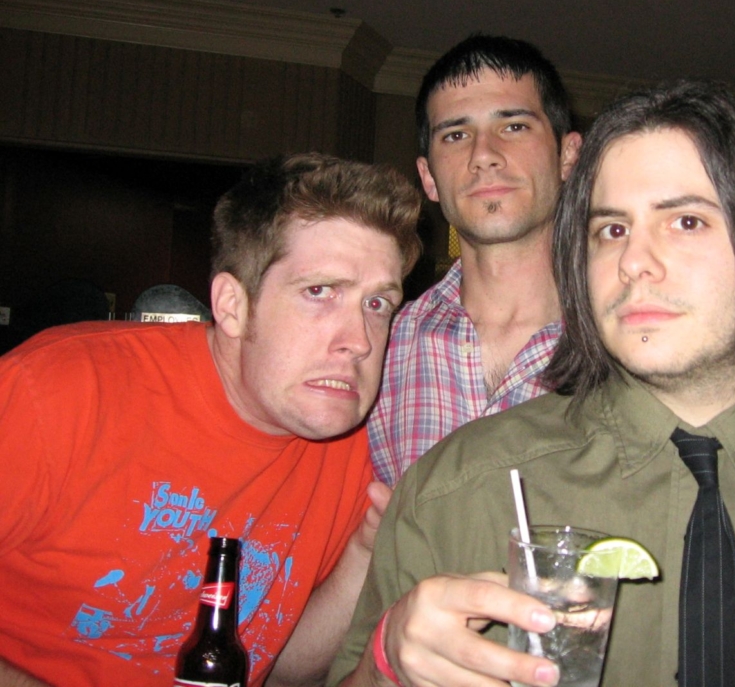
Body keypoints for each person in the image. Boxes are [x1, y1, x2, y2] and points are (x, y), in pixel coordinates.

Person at [328, 80, 735, 687]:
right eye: (612, 230)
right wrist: (386, 671)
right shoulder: (454, 491)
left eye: (686, 222)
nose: (632, 262)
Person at [0, 153, 421, 687]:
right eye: (319, 292)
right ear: (232, 305)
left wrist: (365, 551)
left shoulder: (363, 449)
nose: (359, 342)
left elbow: (281, 667)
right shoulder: (56, 390)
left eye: (378, 304)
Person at [367, 34, 582, 485]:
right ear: (428, 177)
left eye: (514, 126)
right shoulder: (375, 349)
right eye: (456, 135)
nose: (484, 155)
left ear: (567, 155)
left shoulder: (632, 345)